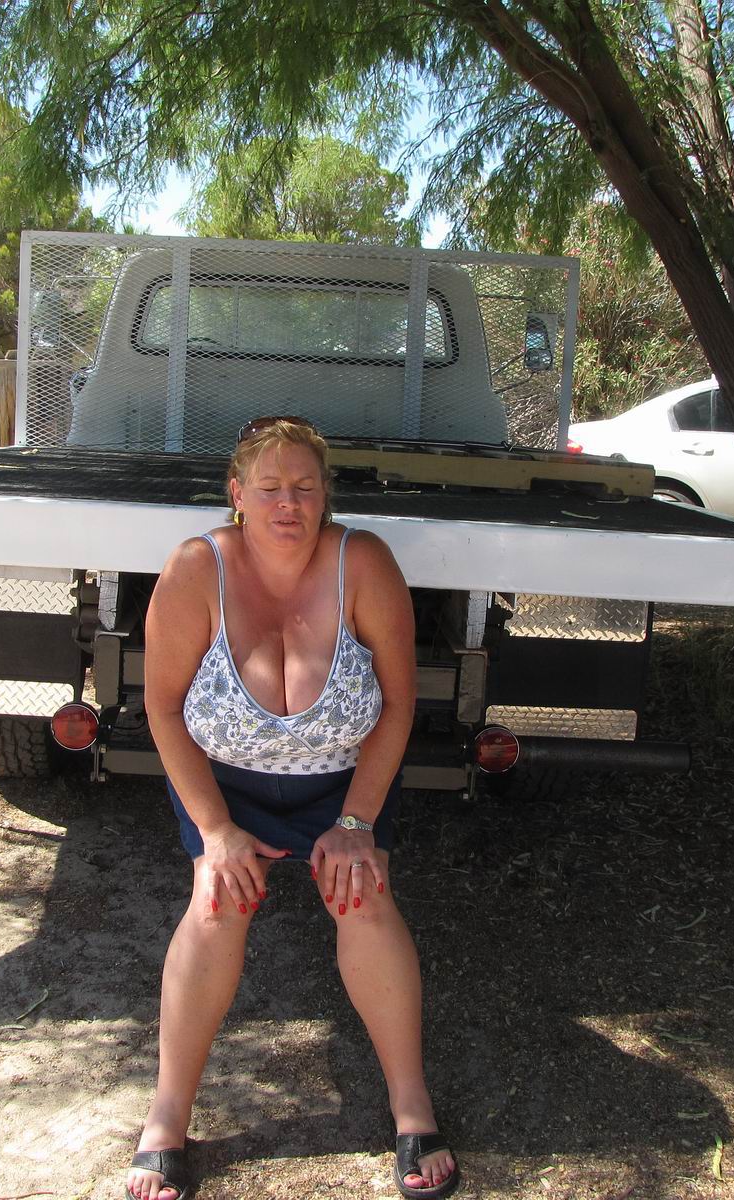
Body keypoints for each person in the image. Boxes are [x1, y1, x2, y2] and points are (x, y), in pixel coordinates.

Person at [124, 417, 461, 1200]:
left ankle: (412, 1109)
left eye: (305, 487)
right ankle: (166, 1120)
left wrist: (356, 824)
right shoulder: (195, 569)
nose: (289, 503)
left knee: (363, 897)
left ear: (325, 495)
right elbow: (163, 709)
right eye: (270, 487)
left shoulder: (363, 563)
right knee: (216, 903)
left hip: (342, 784)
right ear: (237, 494)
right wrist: (215, 831)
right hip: (226, 784)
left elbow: (399, 704)